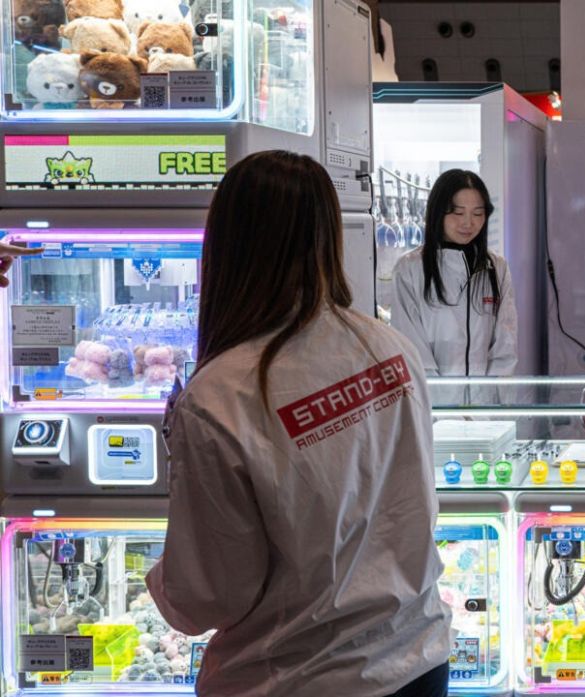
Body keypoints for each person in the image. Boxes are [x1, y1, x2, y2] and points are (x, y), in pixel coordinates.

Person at [146, 151, 452, 697]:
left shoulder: (220, 394)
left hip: (297, 677)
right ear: (327, 236)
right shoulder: (388, 348)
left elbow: (210, 597)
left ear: (227, 246)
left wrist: (156, 580)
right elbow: (415, 505)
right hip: (416, 660)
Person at [391, 169, 517, 377]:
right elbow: (411, 348)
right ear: (438, 212)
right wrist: (440, 404)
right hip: (435, 403)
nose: (468, 223)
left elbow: (505, 346)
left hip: (484, 405)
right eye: (458, 213)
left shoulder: (496, 267)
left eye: (478, 213)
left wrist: (492, 403)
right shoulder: (410, 269)